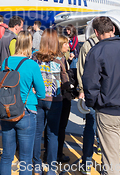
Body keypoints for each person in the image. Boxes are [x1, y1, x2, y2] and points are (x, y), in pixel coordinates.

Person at [83, 17, 120, 175]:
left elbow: (89, 82)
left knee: (111, 159)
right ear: (113, 29)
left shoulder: (96, 51)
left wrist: (93, 102)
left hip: (107, 110)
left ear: (96, 32)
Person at [0, 31, 45, 175]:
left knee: (7, 155)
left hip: (7, 110)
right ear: (29, 44)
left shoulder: (6, 62)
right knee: (25, 158)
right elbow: (42, 93)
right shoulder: (32, 65)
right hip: (26, 112)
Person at [32, 29, 63, 175]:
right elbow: (64, 80)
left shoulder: (35, 57)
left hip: (38, 98)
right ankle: (51, 168)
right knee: (52, 134)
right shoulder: (59, 59)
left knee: (37, 133)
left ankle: (36, 164)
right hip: (55, 100)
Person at [76, 30, 99, 175]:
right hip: (108, 94)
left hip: (91, 92)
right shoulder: (116, 44)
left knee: (90, 126)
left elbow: (81, 69)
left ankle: (86, 163)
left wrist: (81, 89)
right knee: (107, 129)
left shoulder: (88, 44)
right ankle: (107, 165)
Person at [56, 35, 73, 164]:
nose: (68, 46)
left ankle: (52, 152)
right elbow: (64, 80)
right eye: (66, 44)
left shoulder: (61, 58)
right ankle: (58, 153)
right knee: (61, 127)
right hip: (62, 95)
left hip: (57, 95)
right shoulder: (60, 60)